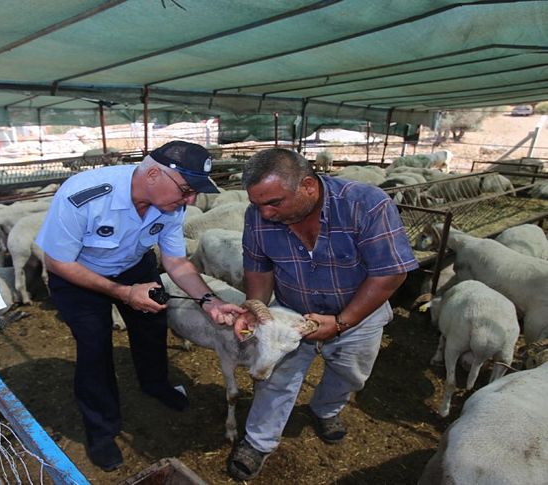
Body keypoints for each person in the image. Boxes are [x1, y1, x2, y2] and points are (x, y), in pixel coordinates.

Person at [35, 141, 245, 471]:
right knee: (94, 345)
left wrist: (211, 302)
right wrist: (123, 293)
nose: (190, 200)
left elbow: (176, 261)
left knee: (152, 325)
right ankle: (101, 430)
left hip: (134, 266)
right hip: (78, 273)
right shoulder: (83, 194)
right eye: (187, 189)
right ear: (151, 174)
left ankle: (155, 383)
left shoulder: (172, 206)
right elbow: (57, 261)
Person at [227, 148, 418, 480]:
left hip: (358, 313)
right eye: (258, 204)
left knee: (350, 373)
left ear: (308, 187)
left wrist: (344, 321)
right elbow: (258, 268)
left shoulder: (366, 204)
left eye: (274, 202)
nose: (265, 213)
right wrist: (256, 309)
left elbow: (390, 272)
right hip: (291, 312)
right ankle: (258, 441)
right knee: (274, 376)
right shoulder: (257, 216)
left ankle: (326, 410)